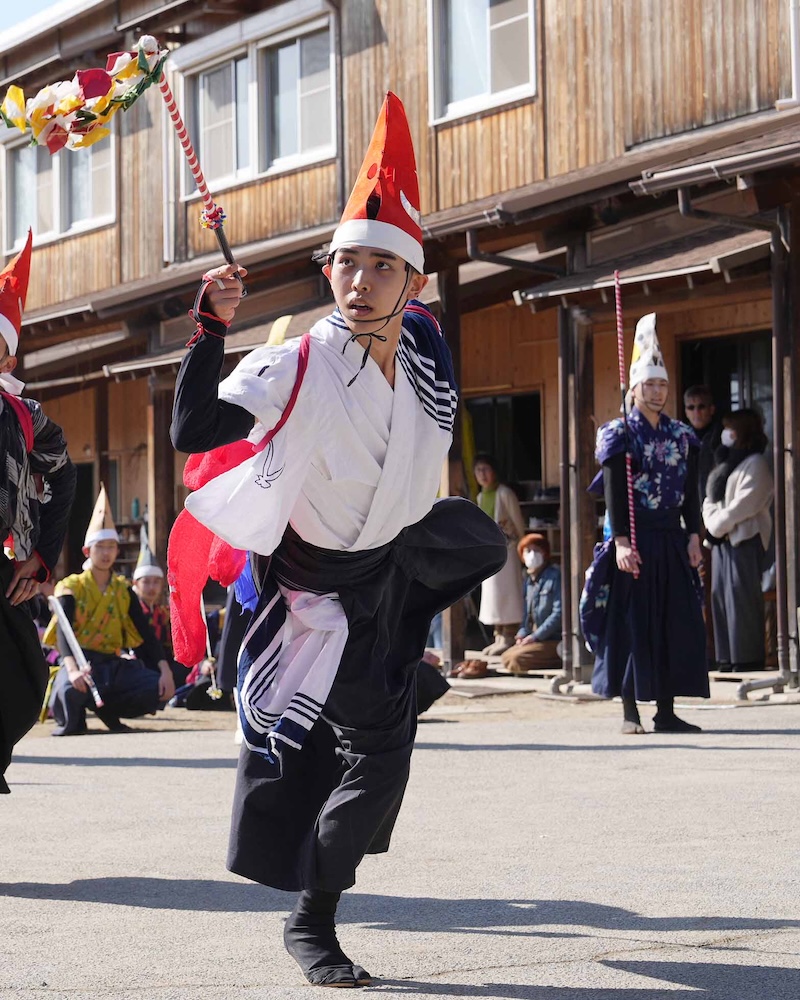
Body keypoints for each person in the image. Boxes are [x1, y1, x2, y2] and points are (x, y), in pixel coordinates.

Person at [169, 92, 505, 988]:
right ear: (329, 272)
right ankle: (313, 921)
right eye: (345, 265)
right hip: (313, 597)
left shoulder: (427, 347)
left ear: (414, 285)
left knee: (384, 767)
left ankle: (320, 893)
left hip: (389, 573)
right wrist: (211, 327)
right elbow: (194, 428)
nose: (358, 282)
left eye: (379, 268)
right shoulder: (300, 361)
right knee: (329, 763)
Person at [580, 312, 709, 734]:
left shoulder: (681, 435)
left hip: (672, 537)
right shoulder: (621, 433)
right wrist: (619, 541)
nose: (657, 392)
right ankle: (630, 711)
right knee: (634, 623)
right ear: (633, 388)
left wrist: (695, 535)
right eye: (649, 385)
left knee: (674, 621)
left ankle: (667, 711)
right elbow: (615, 491)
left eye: (662, 385)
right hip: (633, 539)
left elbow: (691, 491)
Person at [0, 231, 77, 793]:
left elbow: (65, 472)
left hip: (2, 570)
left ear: (7, 354)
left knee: (23, 682)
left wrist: (43, 557)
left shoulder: (23, 418)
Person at [44, 485, 176, 734]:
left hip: (112, 665)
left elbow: (145, 633)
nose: (106, 553)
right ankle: (79, 712)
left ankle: (108, 709)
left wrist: (164, 669)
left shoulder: (123, 590)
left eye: (111, 547)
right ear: (88, 551)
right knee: (69, 691)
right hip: (80, 662)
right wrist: (72, 669)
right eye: (100, 547)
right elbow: (64, 633)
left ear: (118, 550)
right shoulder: (70, 587)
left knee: (155, 688)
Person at [702, 408, 773, 671]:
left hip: (745, 540)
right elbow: (710, 499)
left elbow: (745, 505)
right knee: (720, 598)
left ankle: (747, 658)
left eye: (731, 429)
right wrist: (713, 523)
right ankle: (726, 657)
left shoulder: (757, 463)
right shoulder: (726, 463)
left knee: (742, 600)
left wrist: (717, 524)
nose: (725, 435)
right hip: (722, 542)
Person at [473, 454, 526, 655]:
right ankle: (498, 635)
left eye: (486, 469)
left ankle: (509, 634)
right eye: (479, 471)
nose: (482, 475)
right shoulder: (480, 496)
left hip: (509, 549)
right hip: (490, 551)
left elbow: (517, 521)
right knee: (491, 595)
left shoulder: (505, 493)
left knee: (507, 592)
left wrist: (522, 545)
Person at [131, 524, 189, 688]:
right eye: (146, 582)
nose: (151, 587)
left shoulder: (163, 613)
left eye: (156, 582)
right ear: (135, 583)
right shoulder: (130, 611)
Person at [501, 533, 562, 674]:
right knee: (506, 657)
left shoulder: (555, 576)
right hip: (535, 638)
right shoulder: (529, 581)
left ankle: (558, 658)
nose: (532, 555)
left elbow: (558, 613)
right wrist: (522, 633)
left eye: (537, 550)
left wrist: (535, 636)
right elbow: (526, 616)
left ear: (545, 553)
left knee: (516, 659)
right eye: (528, 551)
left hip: (552, 638)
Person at [683, 384, 722, 503]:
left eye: (701, 407)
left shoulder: (722, 437)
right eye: (691, 407)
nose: (696, 412)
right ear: (686, 411)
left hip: (714, 506)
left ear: (711, 409)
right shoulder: (680, 438)